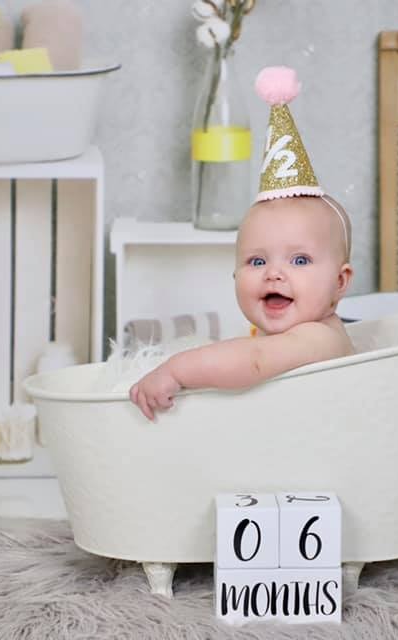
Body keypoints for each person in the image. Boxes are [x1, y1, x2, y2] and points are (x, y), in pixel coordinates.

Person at [130, 66, 355, 421]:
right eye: (257, 261)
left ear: (340, 282)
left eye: (299, 260)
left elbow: (253, 362)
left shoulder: (319, 336)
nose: (274, 274)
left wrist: (175, 370)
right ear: (234, 275)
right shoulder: (274, 334)